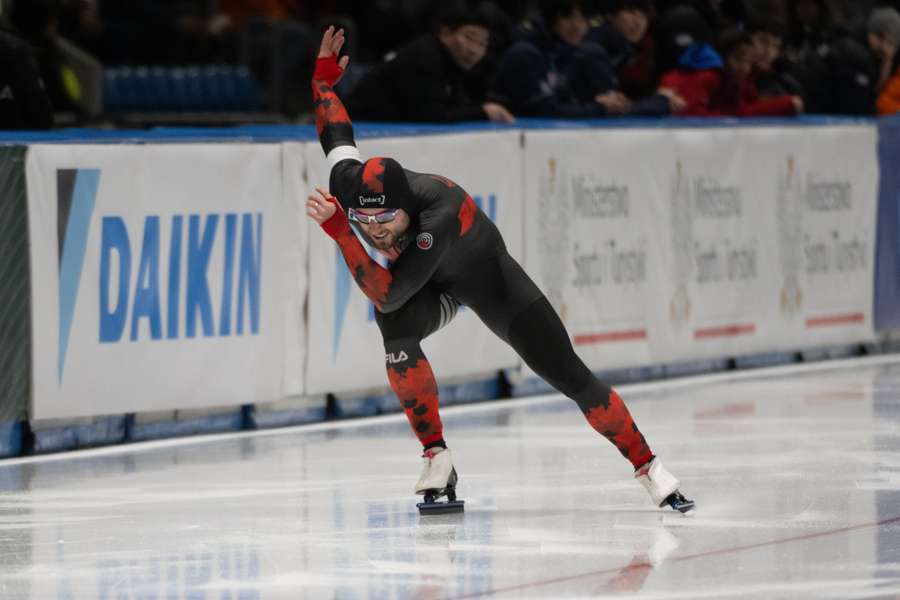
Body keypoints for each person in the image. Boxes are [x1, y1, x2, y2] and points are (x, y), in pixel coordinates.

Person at [307, 26, 695, 514]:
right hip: (429, 285)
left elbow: (387, 291)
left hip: (488, 280)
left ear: (407, 207)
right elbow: (337, 135)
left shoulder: (440, 214)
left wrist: (343, 232)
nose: (376, 230)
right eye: (364, 219)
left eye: (385, 219)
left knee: (568, 374)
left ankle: (650, 468)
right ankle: (436, 457)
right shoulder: (350, 185)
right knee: (396, 330)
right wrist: (322, 82)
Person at [345, 3, 514, 123]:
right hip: (357, 125)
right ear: (446, 33)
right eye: (469, 38)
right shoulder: (425, 57)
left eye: (482, 44)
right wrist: (483, 112)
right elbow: (433, 115)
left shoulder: (458, 63)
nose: (474, 50)